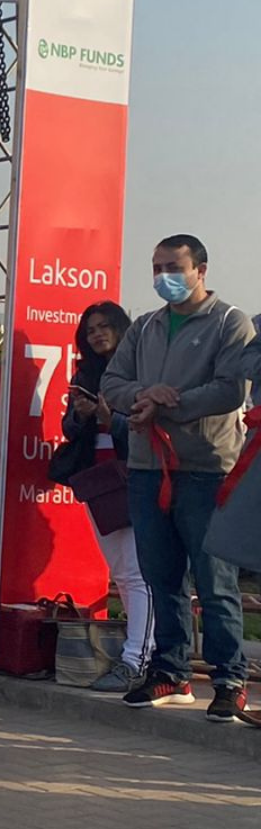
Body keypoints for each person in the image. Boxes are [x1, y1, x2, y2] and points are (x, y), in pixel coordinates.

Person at [101, 234, 255, 720]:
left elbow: (232, 390)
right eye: (156, 266)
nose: (162, 275)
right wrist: (146, 395)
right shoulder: (144, 326)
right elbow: (112, 383)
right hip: (148, 468)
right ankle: (169, 671)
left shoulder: (230, 323)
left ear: (200, 270)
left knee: (214, 582)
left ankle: (229, 677)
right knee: (160, 575)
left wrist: (170, 404)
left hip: (206, 469)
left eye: (173, 266)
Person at [60, 302, 152, 692]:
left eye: (104, 326)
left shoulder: (140, 367)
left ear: (120, 328)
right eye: (90, 329)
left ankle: (138, 656)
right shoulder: (85, 372)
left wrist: (106, 417)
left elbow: (142, 427)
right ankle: (140, 652)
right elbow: (69, 429)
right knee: (122, 573)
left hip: (135, 475)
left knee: (136, 572)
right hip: (99, 480)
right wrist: (81, 415)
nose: (98, 334)